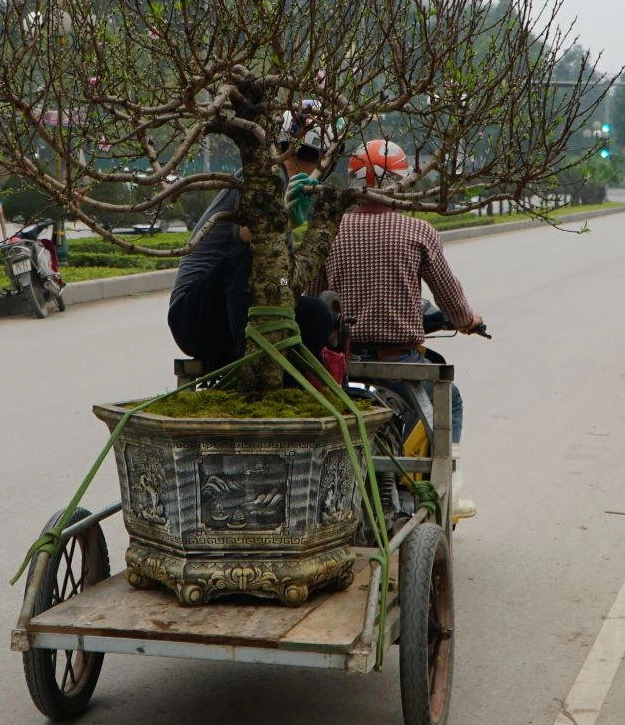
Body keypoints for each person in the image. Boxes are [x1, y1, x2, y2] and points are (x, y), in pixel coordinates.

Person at [325, 139, 484, 520]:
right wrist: (467, 321)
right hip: (398, 365)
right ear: (399, 183)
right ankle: (450, 489)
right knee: (453, 399)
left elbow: (315, 299)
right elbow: (452, 301)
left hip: (340, 366)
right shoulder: (417, 231)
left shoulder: (329, 232)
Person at [167, 107, 336, 371]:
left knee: (318, 315)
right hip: (196, 317)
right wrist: (285, 220)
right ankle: (248, 364)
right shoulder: (262, 177)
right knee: (248, 257)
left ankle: (295, 386)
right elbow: (247, 233)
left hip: (236, 312)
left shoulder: (295, 188)